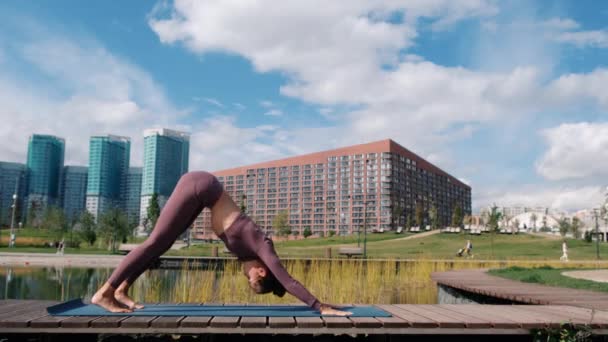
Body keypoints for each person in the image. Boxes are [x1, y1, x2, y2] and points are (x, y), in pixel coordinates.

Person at [91, 171, 351, 316]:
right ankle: (104, 292)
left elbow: (279, 286)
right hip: (201, 186)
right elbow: (286, 280)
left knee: (163, 244)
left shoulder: (246, 254)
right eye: (250, 279)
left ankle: (122, 290)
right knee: (155, 241)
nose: (244, 276)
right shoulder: (263, 247)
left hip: (202, 196)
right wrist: (320, 306)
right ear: (261, 270)